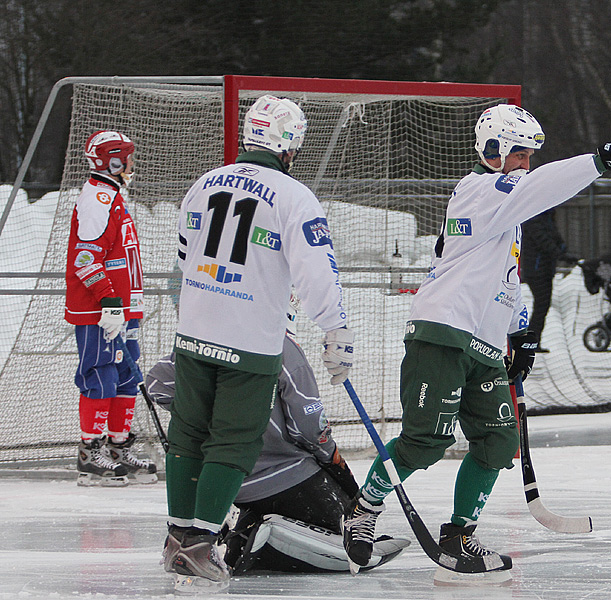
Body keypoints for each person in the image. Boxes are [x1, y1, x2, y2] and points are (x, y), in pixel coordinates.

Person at [341, 103, 611, 580]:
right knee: (426, 441)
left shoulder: (506, 206)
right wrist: (600, 160)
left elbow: (506, 277)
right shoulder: (480, 190)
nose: (526, 164)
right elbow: (542, 185)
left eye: (530, 155)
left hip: (484, 343)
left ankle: (460, 535)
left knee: (497, 440)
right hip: (443, 330)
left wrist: (520, 332)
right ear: (493, 150)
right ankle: (362, 511)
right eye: (520, 154)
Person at [164, 95, 355, 593]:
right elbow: (318, 271)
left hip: (194, 331)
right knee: (235, 438)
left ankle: (177, 536)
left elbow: (185, 254)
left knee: (188, 434)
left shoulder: (204, 183)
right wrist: (335, 328)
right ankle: (200, 546)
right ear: (290, 145)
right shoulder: (293, 196)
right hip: (248, 339)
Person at [146, 328, 408, 575]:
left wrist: (209, 421)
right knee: (342, 525)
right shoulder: (279, 345)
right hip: (287, 476)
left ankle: (246, 526)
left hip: (225, 482)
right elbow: (308, 428)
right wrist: (331, 458)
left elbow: (156, 383)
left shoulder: (205, 339)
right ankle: (263, 537)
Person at [65, 130, 157, 487]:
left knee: (126, 377)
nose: (133, 164)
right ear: (113, 162)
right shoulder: (97, 200)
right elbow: (85, 259)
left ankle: (118, 445)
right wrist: (108, 300)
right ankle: (91, 452)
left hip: (123, 309)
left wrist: (126, 305)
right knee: (100, 374)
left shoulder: (115, 196)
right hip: (100, 311)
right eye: (128, 158)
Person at [520, 208, 573, 352]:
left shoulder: (547, 217)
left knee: (542, 306)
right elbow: (543, 241)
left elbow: (555, 237)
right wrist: (560, 254)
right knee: (541, 305)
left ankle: (533, 341)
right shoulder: (533, 218)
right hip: (536, 270)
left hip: (545, 269)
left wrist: (564, 250)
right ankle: (530, 342)